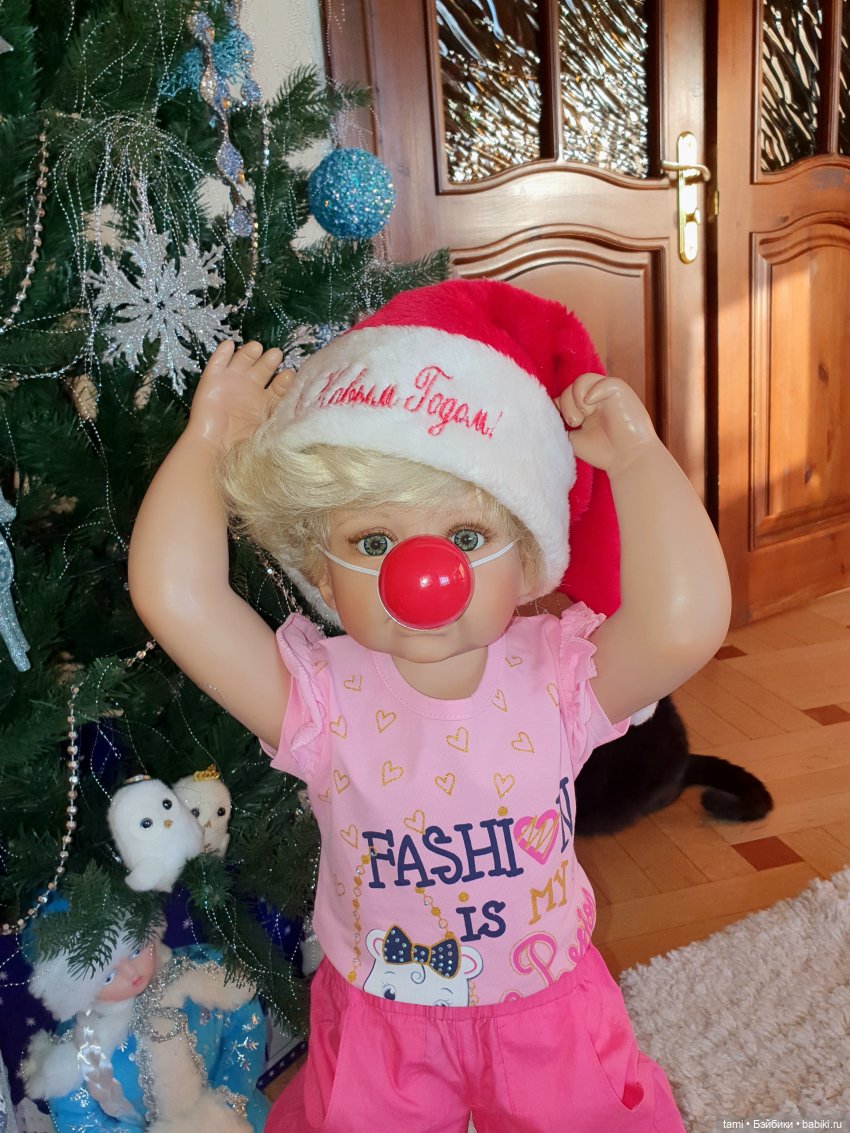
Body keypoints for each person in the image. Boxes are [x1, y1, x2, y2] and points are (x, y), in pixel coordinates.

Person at [128, 279, 731, 1132]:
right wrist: (206, 444)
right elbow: (177, 597)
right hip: (382, 1020)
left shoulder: (559, 676)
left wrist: (637, 459)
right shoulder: (316, 696)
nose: (422, 576)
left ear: (526, 558)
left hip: (547, 1010)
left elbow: (684, 624)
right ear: (323, 566)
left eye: (466, 536)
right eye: (374, 541)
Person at [22, 917, 270, 1132]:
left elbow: (245, 1026)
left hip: (239, 1121)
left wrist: (227, 1104)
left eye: (135, 949)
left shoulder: (201, 970)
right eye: (107, 976)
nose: (132, 973)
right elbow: (81, 1121)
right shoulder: (76, 1053)